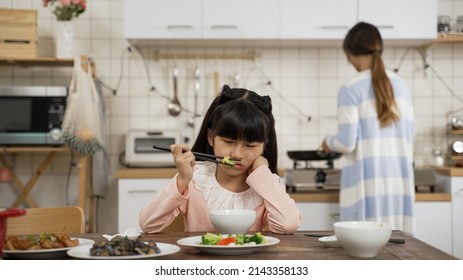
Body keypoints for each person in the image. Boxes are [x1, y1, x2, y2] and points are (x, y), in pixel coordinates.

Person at [139, 85, 302, 234]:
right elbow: (147, 224)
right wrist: (182, 179)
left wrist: (263, 173)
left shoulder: (266, 183)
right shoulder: (194, 177)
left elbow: (288, 225)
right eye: (228, 142)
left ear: (264, 146)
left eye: (250, 145)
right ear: (211, 137)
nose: (237, 154)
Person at [321, 22, 415, 234]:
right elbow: (410, 135)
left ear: (350, 53)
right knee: (398, 253)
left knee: (364, 253)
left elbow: (346, 143)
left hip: (366, 189)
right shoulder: (402, 86)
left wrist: (328, 142)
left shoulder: (351, 87)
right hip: (398, 187)